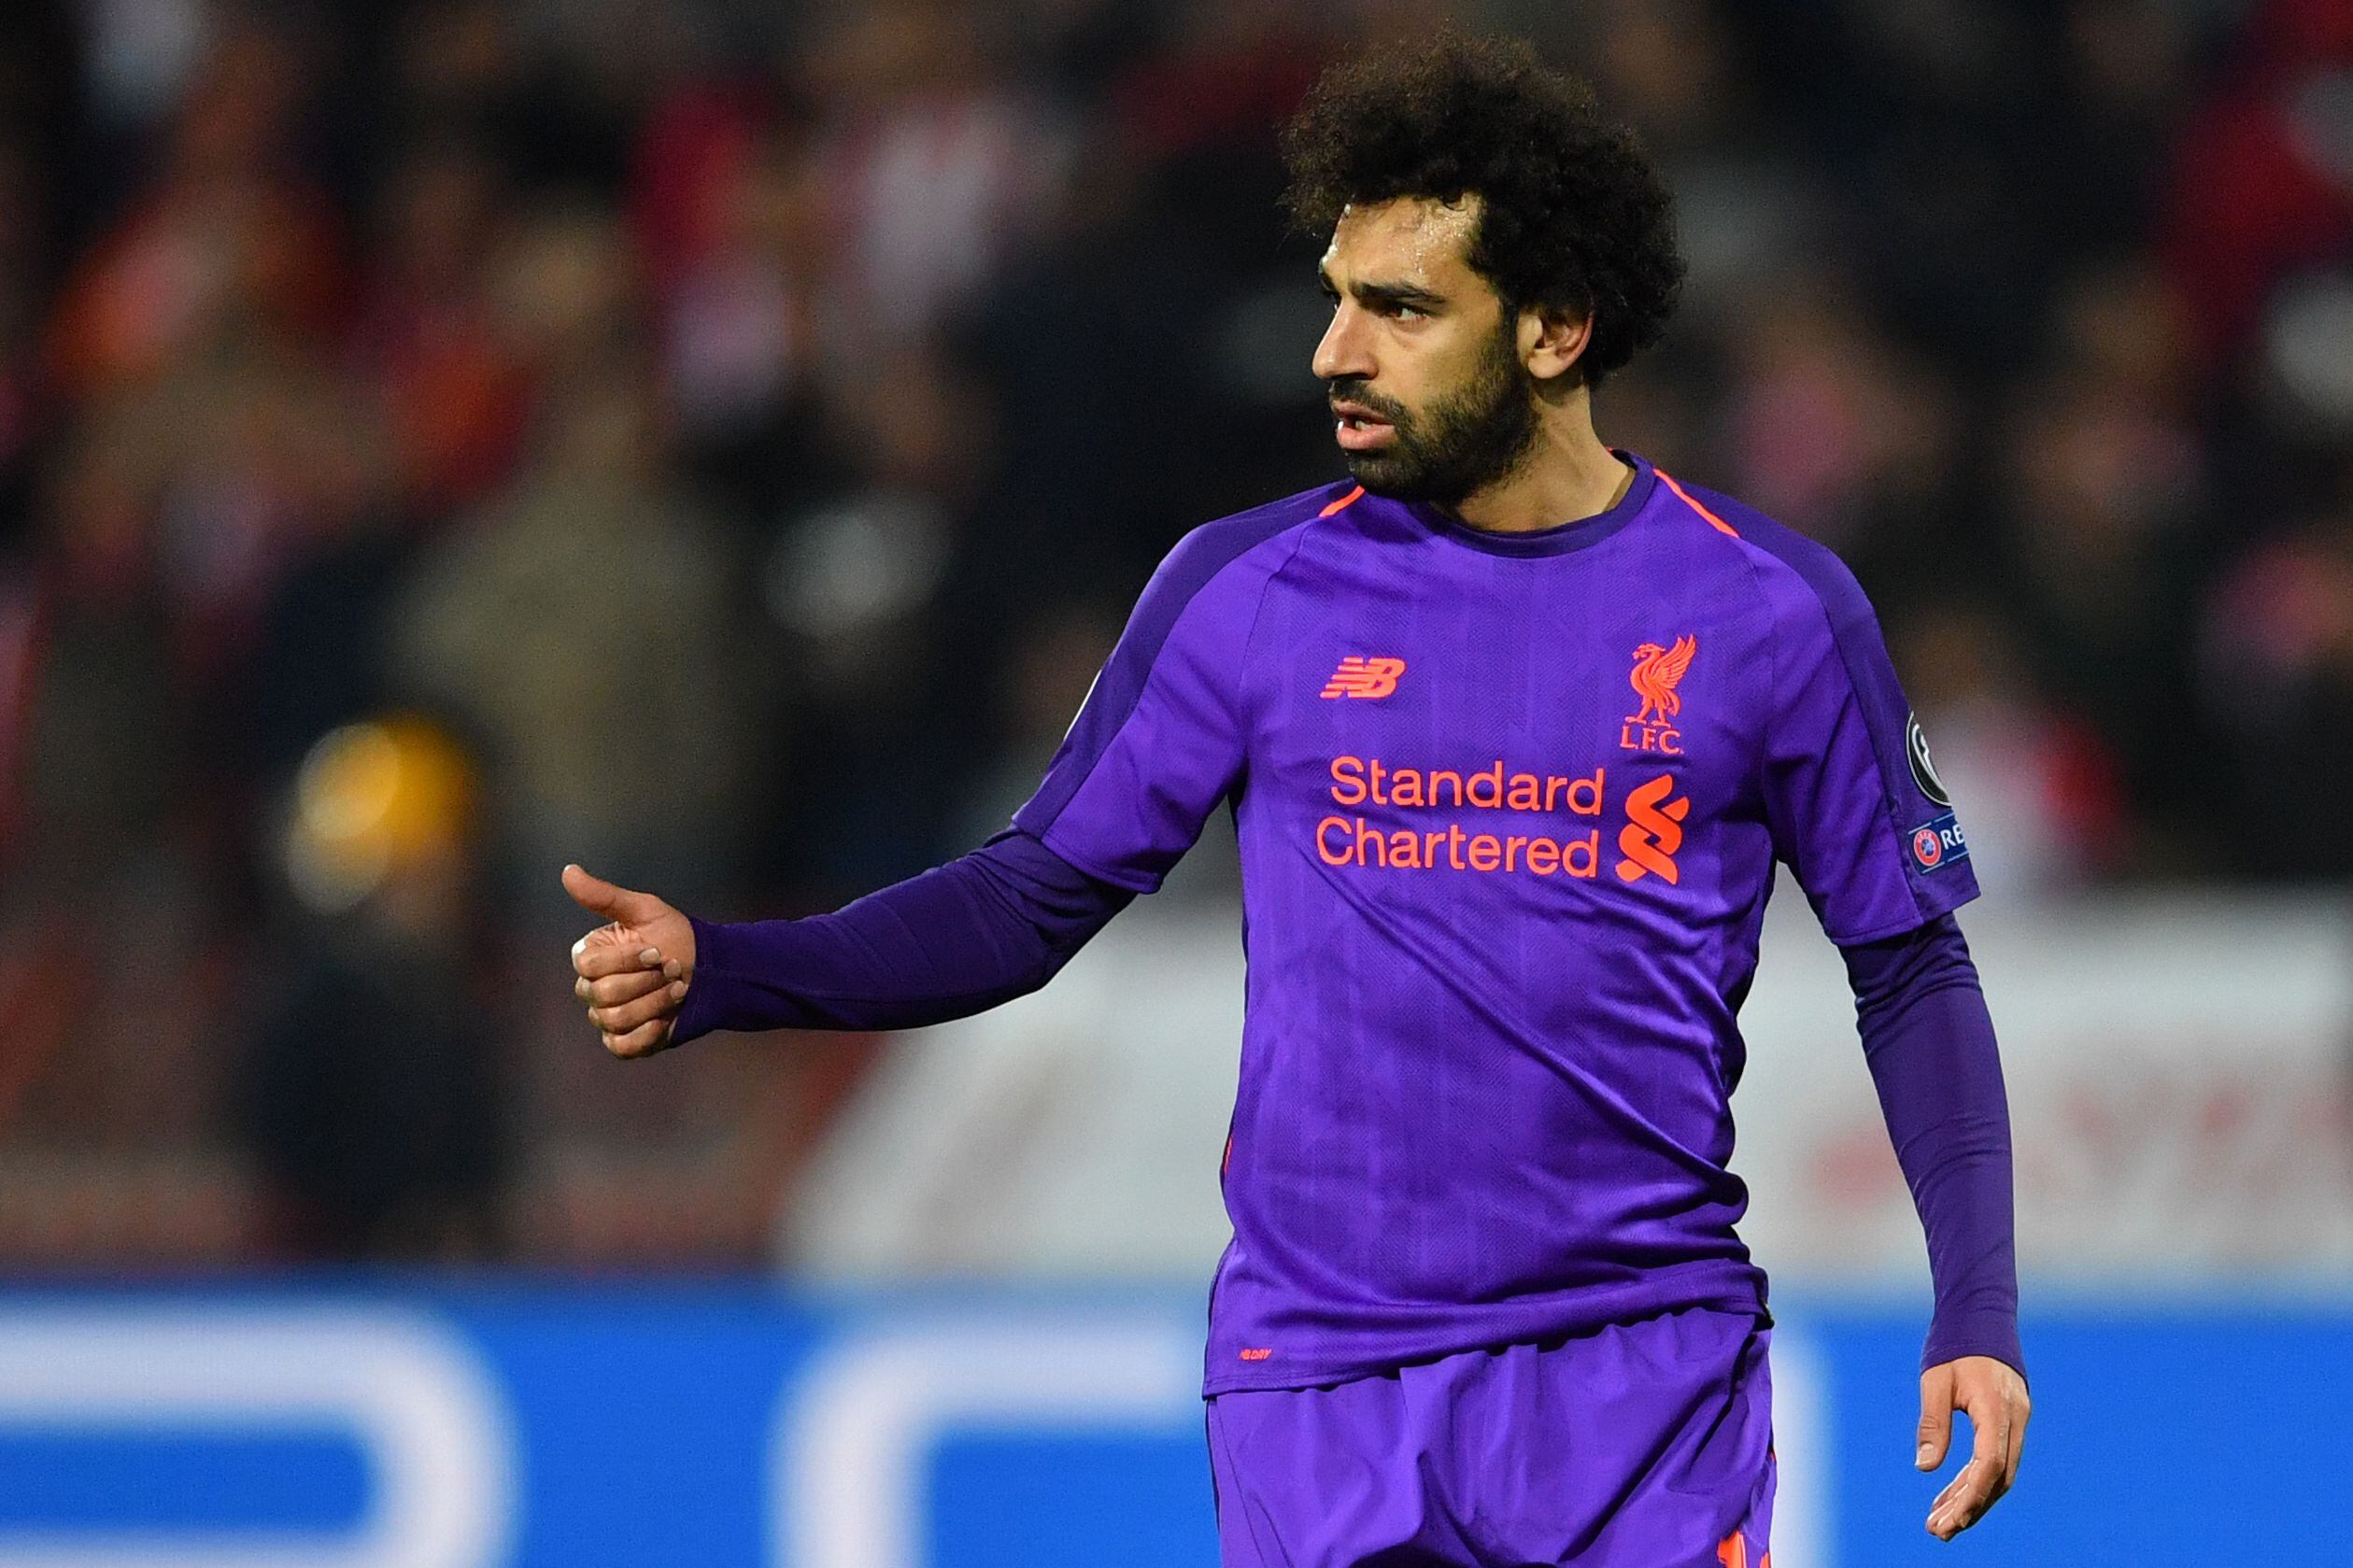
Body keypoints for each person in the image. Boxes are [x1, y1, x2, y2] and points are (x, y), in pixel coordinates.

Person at [564, 34, 2026, 1566]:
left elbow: (1910, 964)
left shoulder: (1770, 612)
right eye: (1337, 297)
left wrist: (1977, 1310)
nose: (1335, 350)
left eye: (1402, 309)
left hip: (1640, 1385)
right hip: (1321, 1386)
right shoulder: (1247, 593)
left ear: (1556, 327)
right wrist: (735, 969)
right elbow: (1025, 898)